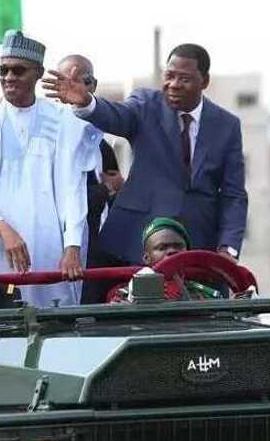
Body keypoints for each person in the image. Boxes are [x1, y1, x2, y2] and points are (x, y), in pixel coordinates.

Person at [44, 42, 248, 265]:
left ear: (204, 82)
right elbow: (116, 115)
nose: (174, 84)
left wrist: (228, 248)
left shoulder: (227, 126)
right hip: (135, 242)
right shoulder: (146, 105)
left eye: (185, 79)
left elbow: (233, 194)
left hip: (198, 247)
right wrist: (87, 103)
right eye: (169, 76)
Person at [0, 31, 100, 308]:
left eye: (18, 70)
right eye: (3, 70)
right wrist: (4, 229)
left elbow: (73, 188)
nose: (9, 77)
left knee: (52, 323)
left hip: (48, 243)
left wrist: (72, 245)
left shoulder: (61, 118)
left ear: (38, 73)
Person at [56, 54, 126, 304]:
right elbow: (63, 196)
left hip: (99, 248)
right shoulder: (50, 138)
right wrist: (106, 188)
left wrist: (117, 190)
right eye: (64, 82)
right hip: (62, 248)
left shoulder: (103, 145)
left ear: (93, 85)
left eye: (82, 81)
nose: (73, 88)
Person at [106, 217, 225, 302]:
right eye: (162, 247)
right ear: (147, 258)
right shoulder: (124, 294)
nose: (172, 251)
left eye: (178, 246)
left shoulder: (204, 294)